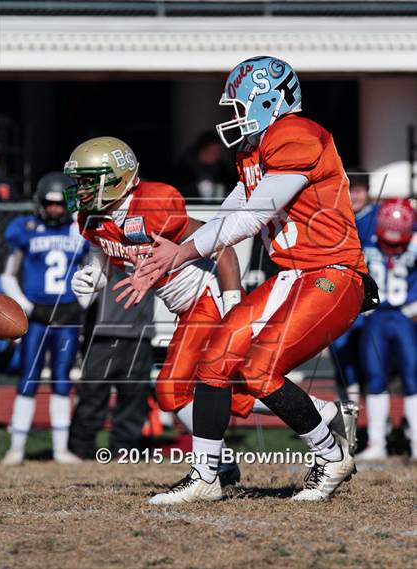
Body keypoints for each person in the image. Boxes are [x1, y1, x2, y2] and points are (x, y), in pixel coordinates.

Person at [124, 56, 374, 504]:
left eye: (240, 105)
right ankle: (205, 477)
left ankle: (330, 454)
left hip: (331, 274)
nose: (233, 116)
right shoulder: (254, 149)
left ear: (269, 100)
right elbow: (233, 209)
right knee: (216, 357)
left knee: (260, 368)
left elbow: (254, 216)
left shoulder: (299, 136)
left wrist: (182, 249)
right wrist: (177, 253)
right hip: (292, 274)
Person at [63, 136, 339, 484]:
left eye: (89, 180)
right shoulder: (92, 218)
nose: (81, 189)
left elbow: (219, 246)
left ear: (116, 176)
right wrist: (94, 275)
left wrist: (232, 302)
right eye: (80, 181)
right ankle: (317, 413)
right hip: (185, 309)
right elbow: (107, 251)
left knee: (171, 391)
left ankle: (216, 467)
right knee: (231, 394)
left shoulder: (152, 205)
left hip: (204, 300)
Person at [0, 172, 88, 465]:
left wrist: (81, 304)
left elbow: (95, 272)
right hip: (36, 316)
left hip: (67, 314)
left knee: (63, 378)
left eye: (58, 204)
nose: (53, 210)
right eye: (48, 204)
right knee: (29, 377)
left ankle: (61, 449)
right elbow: (8, 275)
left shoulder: (81, 231)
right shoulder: (25, 228)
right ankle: (17, 448)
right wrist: (26, 307)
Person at [68, 268, 154, 458]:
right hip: (101, 333)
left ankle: (126, 450)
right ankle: (80, 450)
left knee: (134, 397)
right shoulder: (101, 241)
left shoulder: (156, 240)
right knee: (93, 395)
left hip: (140, 333)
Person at [357, 198, 416, 460]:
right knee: (374, 375)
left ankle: (415, 442)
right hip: (376, 316)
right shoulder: (365, 230)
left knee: (412, 377)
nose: (392, 246)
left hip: (405, 316)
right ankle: (377, 443)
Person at [330, 171, 379, 405]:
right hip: (342, 300)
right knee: (342, 363)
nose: (354, 196)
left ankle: (385, 427)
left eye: (358, 190)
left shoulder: (381, 219)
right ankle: (349, 426)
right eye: (350, 190)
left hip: (376, 305)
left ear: (367, 192)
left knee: (376, 366)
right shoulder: (335, 219)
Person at [171, 132, 234, 203]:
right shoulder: (184, 170)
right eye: (213, 151)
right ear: (203, 150)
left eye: (218, 151)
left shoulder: (223, 170)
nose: (217, 155)